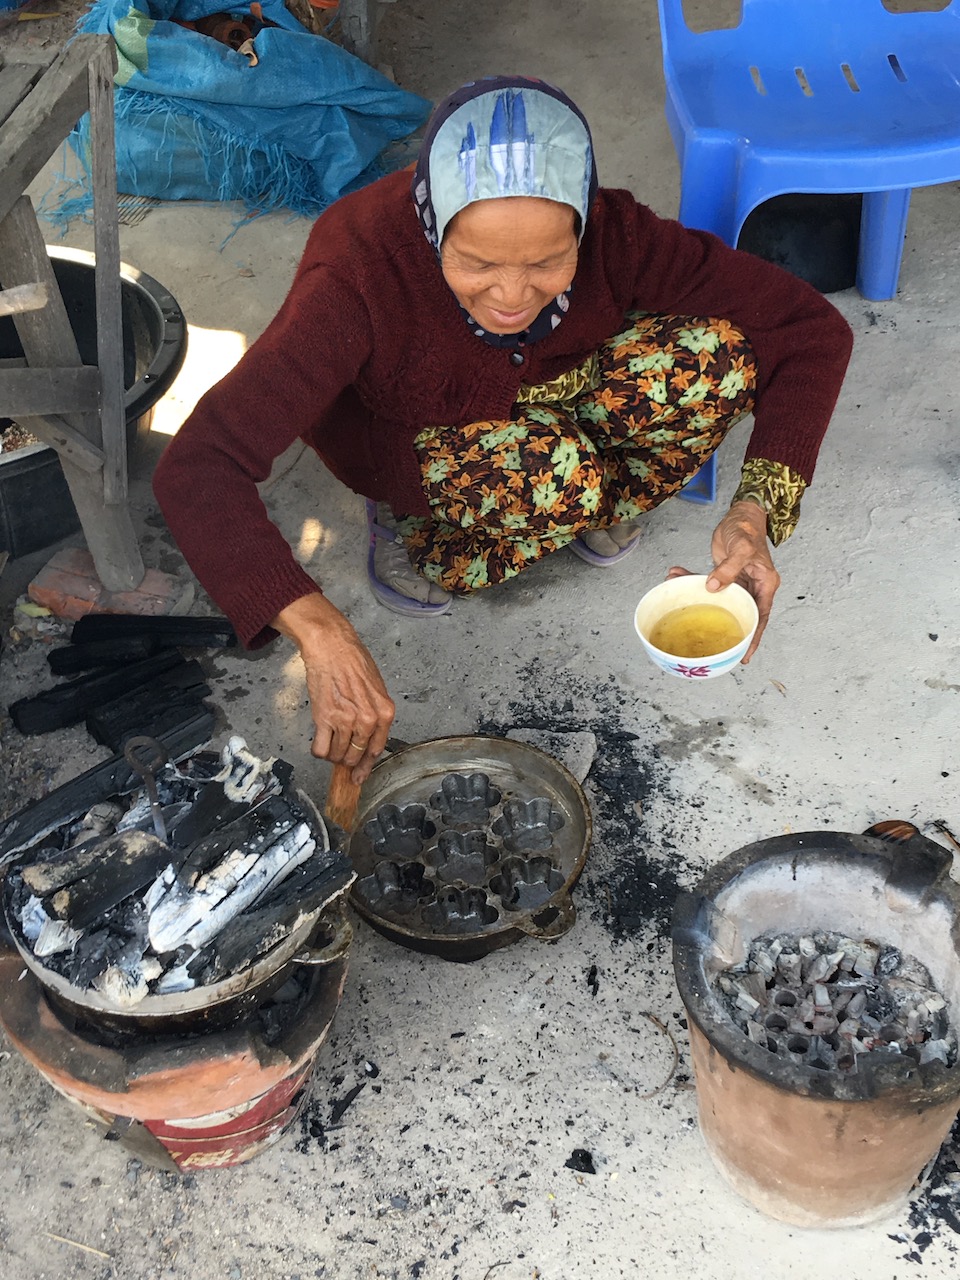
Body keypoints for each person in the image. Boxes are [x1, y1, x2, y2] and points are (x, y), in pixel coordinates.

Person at [153, 75, 853, 785]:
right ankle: (417, 526)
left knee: (716, 360)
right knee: (559, 478)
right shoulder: (362, 266)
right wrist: (317, 627)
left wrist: (753, 511)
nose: (512, 296)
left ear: (581, 220)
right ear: (433, 223)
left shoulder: (615, 230)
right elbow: (200, 465)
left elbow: (807, 327)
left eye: (549, 262)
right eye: (476, 263)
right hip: (418, 434)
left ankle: (584, 502)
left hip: (557, 387)